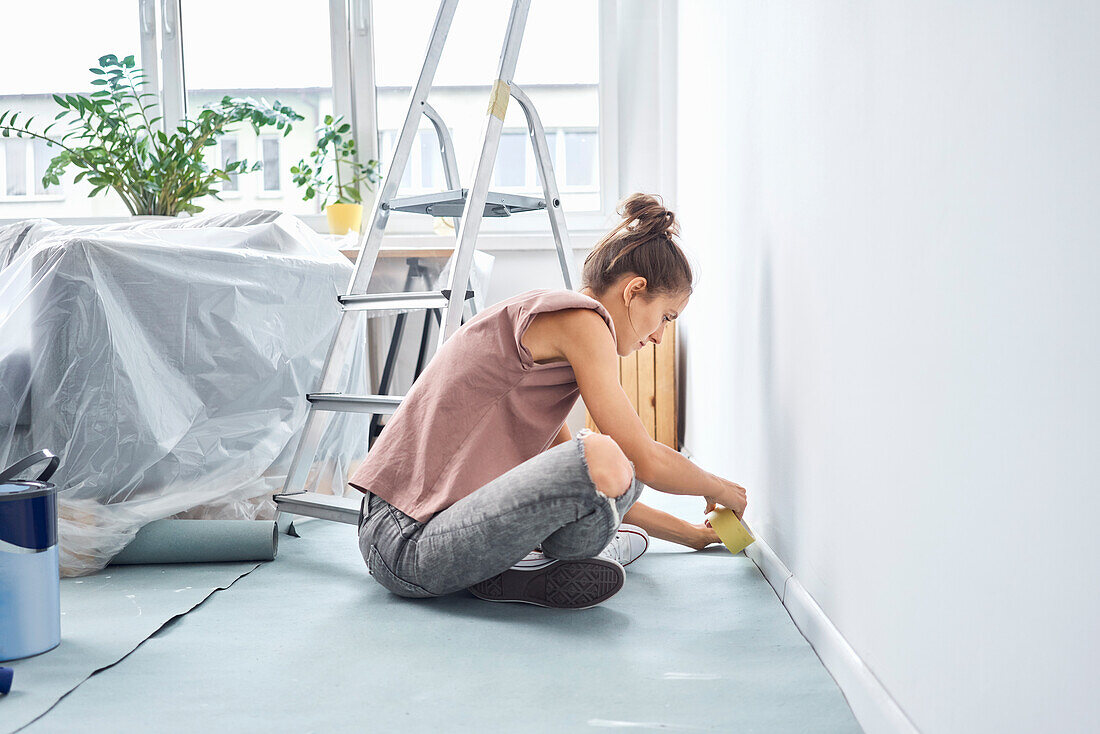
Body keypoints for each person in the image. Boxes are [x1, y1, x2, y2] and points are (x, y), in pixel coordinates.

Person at [350, 193, 748, 609]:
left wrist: (692, 535)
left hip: (419, 542)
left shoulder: (546, 357)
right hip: (407, 542)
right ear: (635, 290)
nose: (659, 337)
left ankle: (530, 569)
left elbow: (583, 489)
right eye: (666, 316)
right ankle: (578, 553)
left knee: (613, 468)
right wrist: (720, 489)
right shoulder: (583, 321)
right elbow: (637, 461)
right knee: (613, 455)